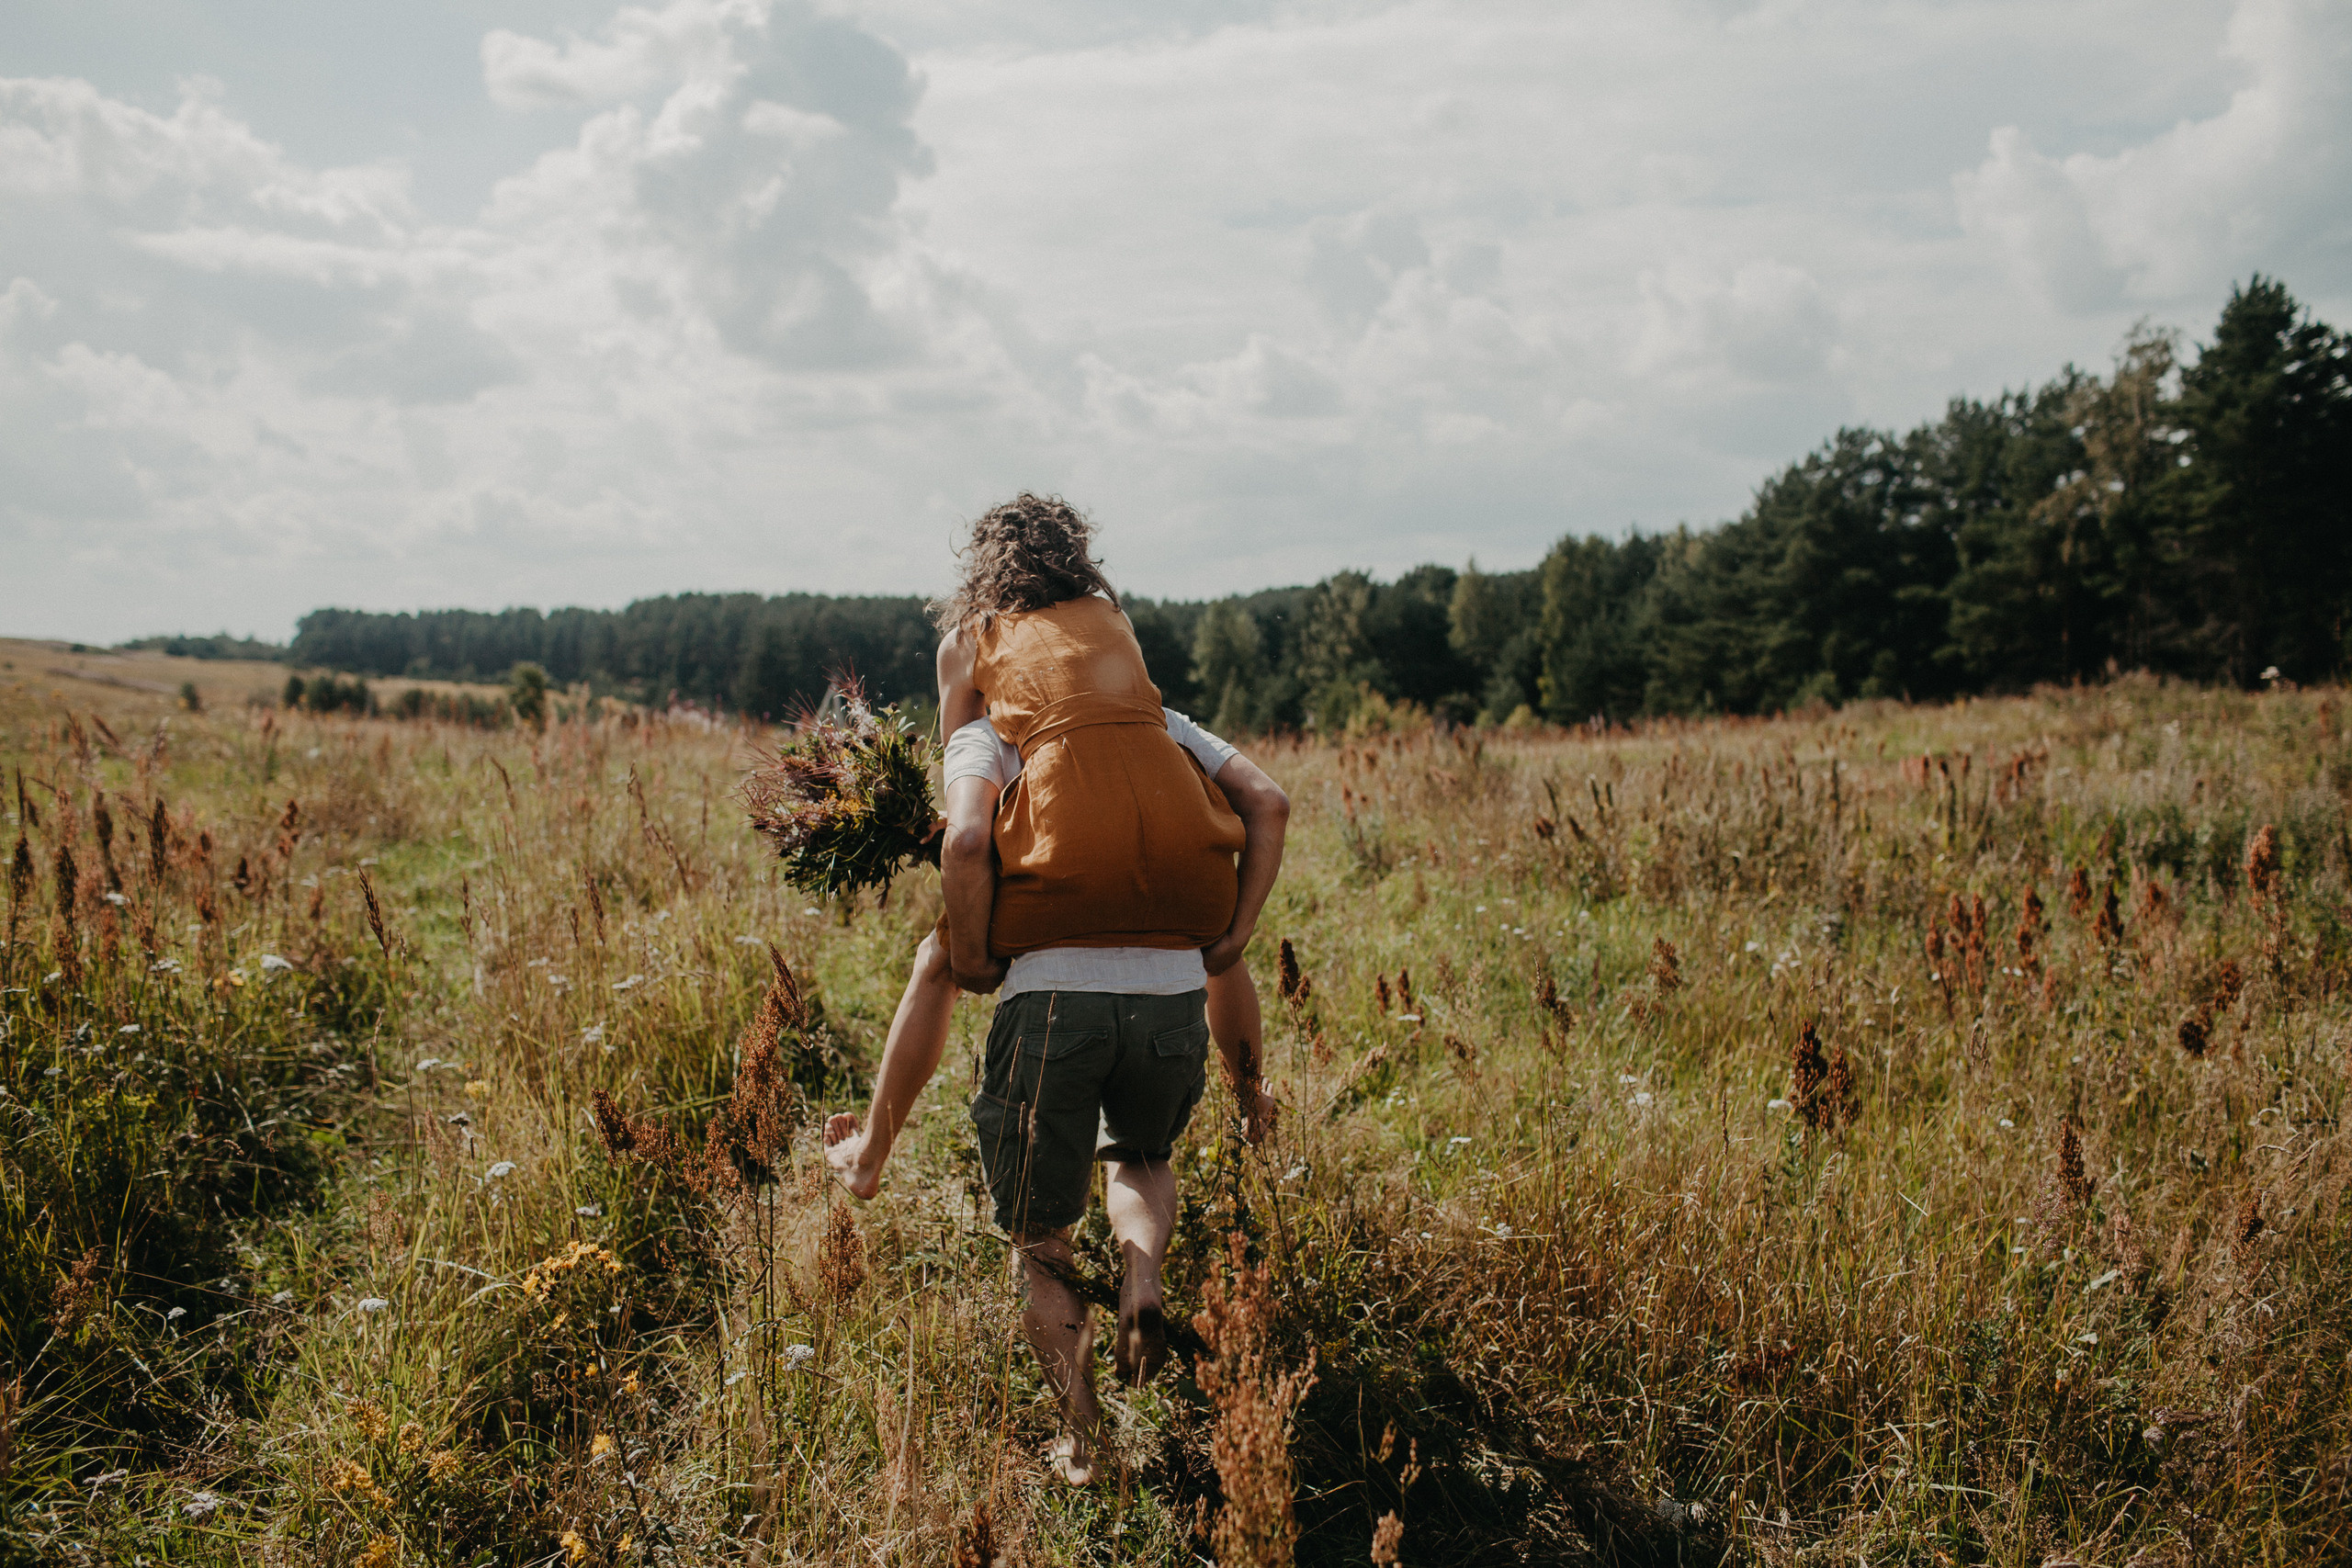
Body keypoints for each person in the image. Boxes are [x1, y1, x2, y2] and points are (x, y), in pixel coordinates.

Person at [820, 493, 1285, 1484]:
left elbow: (970, 835)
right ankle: (1146, 1274)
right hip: (1171, 982)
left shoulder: (981, 691)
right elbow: (1268, 800)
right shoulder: (1140, 696)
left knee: (1039, 1239)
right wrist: (1229, 935)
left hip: (1052, 985)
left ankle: (1085, 1440)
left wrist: (982, 949)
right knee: (1141, 1155)